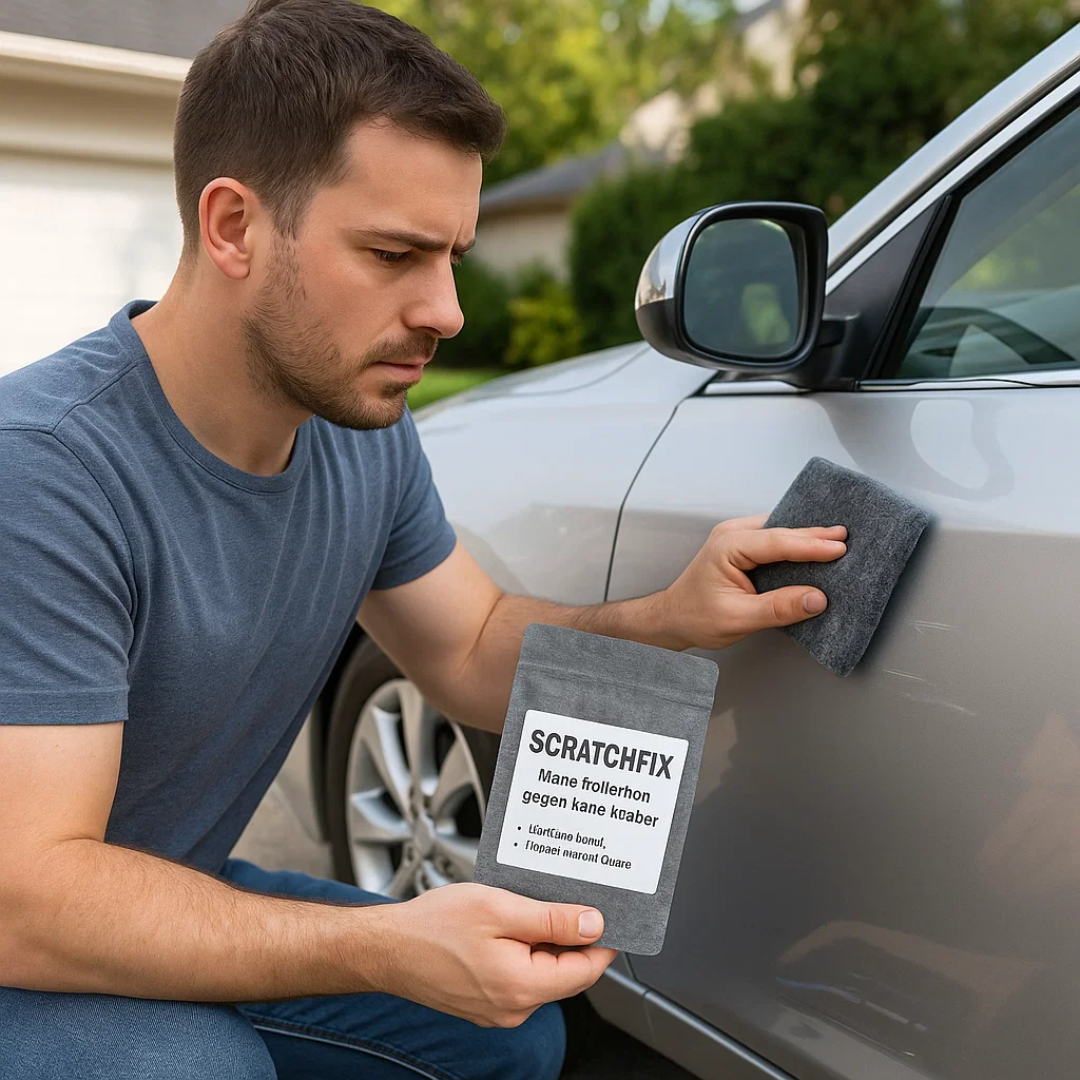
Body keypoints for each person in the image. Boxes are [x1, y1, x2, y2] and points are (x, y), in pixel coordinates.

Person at [0, 1, 848, 1076]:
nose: (447, 310)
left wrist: (668, 620)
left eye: (452, 255)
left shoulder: (357, 434)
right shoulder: (42, 470)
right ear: (232, 228)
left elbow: (471, 646)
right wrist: (385, 942)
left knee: (506, 1036)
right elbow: (26, 901)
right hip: (23, 931)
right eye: (395, 253)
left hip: (145, 885)